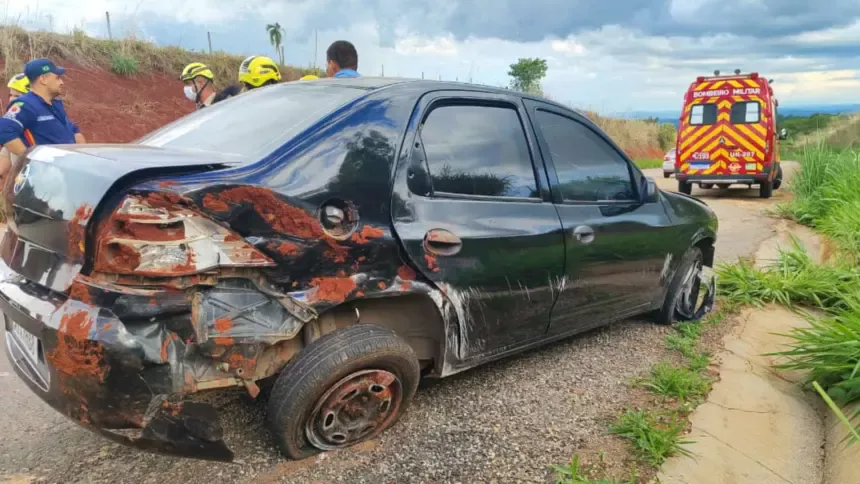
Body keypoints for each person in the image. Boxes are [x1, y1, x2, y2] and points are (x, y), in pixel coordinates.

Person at [0, 59, 85, 177]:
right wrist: (30, 160)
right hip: (46, 176)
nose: (62, 82)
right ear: (43, 79)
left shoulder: (55, 104)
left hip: (66, 169)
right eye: (57, 78)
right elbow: (4, 130)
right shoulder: (25, 105)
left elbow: (71, 130)